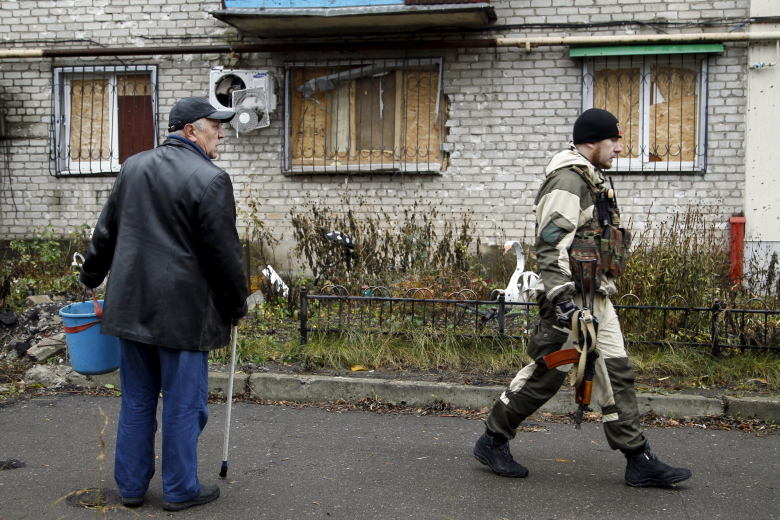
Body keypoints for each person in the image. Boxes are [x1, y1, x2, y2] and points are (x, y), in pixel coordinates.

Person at [473, 108, 692, 487]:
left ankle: (638, 459)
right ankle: (492, 439)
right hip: (572, 301)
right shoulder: (567, 182)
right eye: (614, 141)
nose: (619, 148)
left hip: (597, 297)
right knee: (548, 372)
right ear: (592, 141)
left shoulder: (592, 179)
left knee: (616, 371)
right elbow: (549, 245)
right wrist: (561, 301)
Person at [79, 97, 249, 511]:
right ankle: (180, 489)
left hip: (131, 308)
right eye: (215, 126)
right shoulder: (210, 178)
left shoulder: (133, 166)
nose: (221, 134)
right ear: (191, 130)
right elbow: (224, 254)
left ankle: (132, 489)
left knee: (137, 400)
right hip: (183, 316)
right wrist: (236, 305)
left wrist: (90, 276)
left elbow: (106, 232)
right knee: (182, 403)